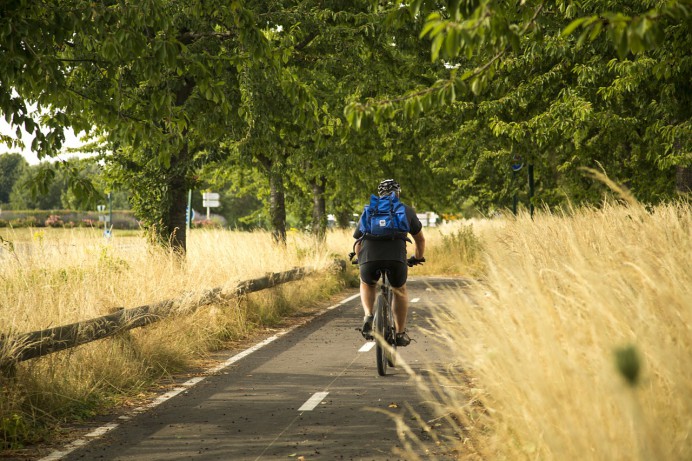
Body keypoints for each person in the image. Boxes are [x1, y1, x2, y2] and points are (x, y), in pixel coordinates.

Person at [351, 179, 425, 346]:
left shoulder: (369, 209)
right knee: (399, 289)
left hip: (370, 256)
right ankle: (399, 333)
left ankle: (369, 315)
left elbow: (358, 241)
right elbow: (420, 240)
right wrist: (418, 257)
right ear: (398, 193)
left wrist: (360, 259)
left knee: (367, 283)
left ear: (380, 194)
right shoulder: (405, 210)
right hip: (396, 258)